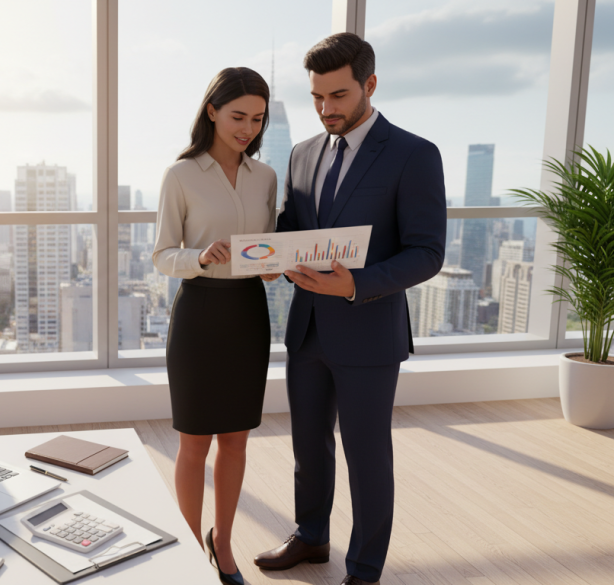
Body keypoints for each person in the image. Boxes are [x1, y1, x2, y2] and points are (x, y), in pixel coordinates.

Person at [252, 33, 446, 585]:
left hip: (368, 331)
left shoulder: (414, 154)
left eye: (337, 95)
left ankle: (364, 568)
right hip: (308, 327)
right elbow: (292, 229)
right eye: (316, 97)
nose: (325, 109)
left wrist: (355, 286)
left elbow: (427, 253)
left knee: (366, 456)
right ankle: (311, 536)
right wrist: (267, 256)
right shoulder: (303, 152)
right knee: (308, 446)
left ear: (370, 84)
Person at [152, 67, 279, 585]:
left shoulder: (266, 177)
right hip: (199, 313)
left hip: (248, 312)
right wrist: (199, 257)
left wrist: (274, 263)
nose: (247, 128)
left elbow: (267, 248)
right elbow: (161, 255)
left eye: (257, 118)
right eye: (237, 116)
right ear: (211, 111)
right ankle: (187, 547)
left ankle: (222, 545)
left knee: (236, 440)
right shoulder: (180, 175)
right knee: (194, 442)